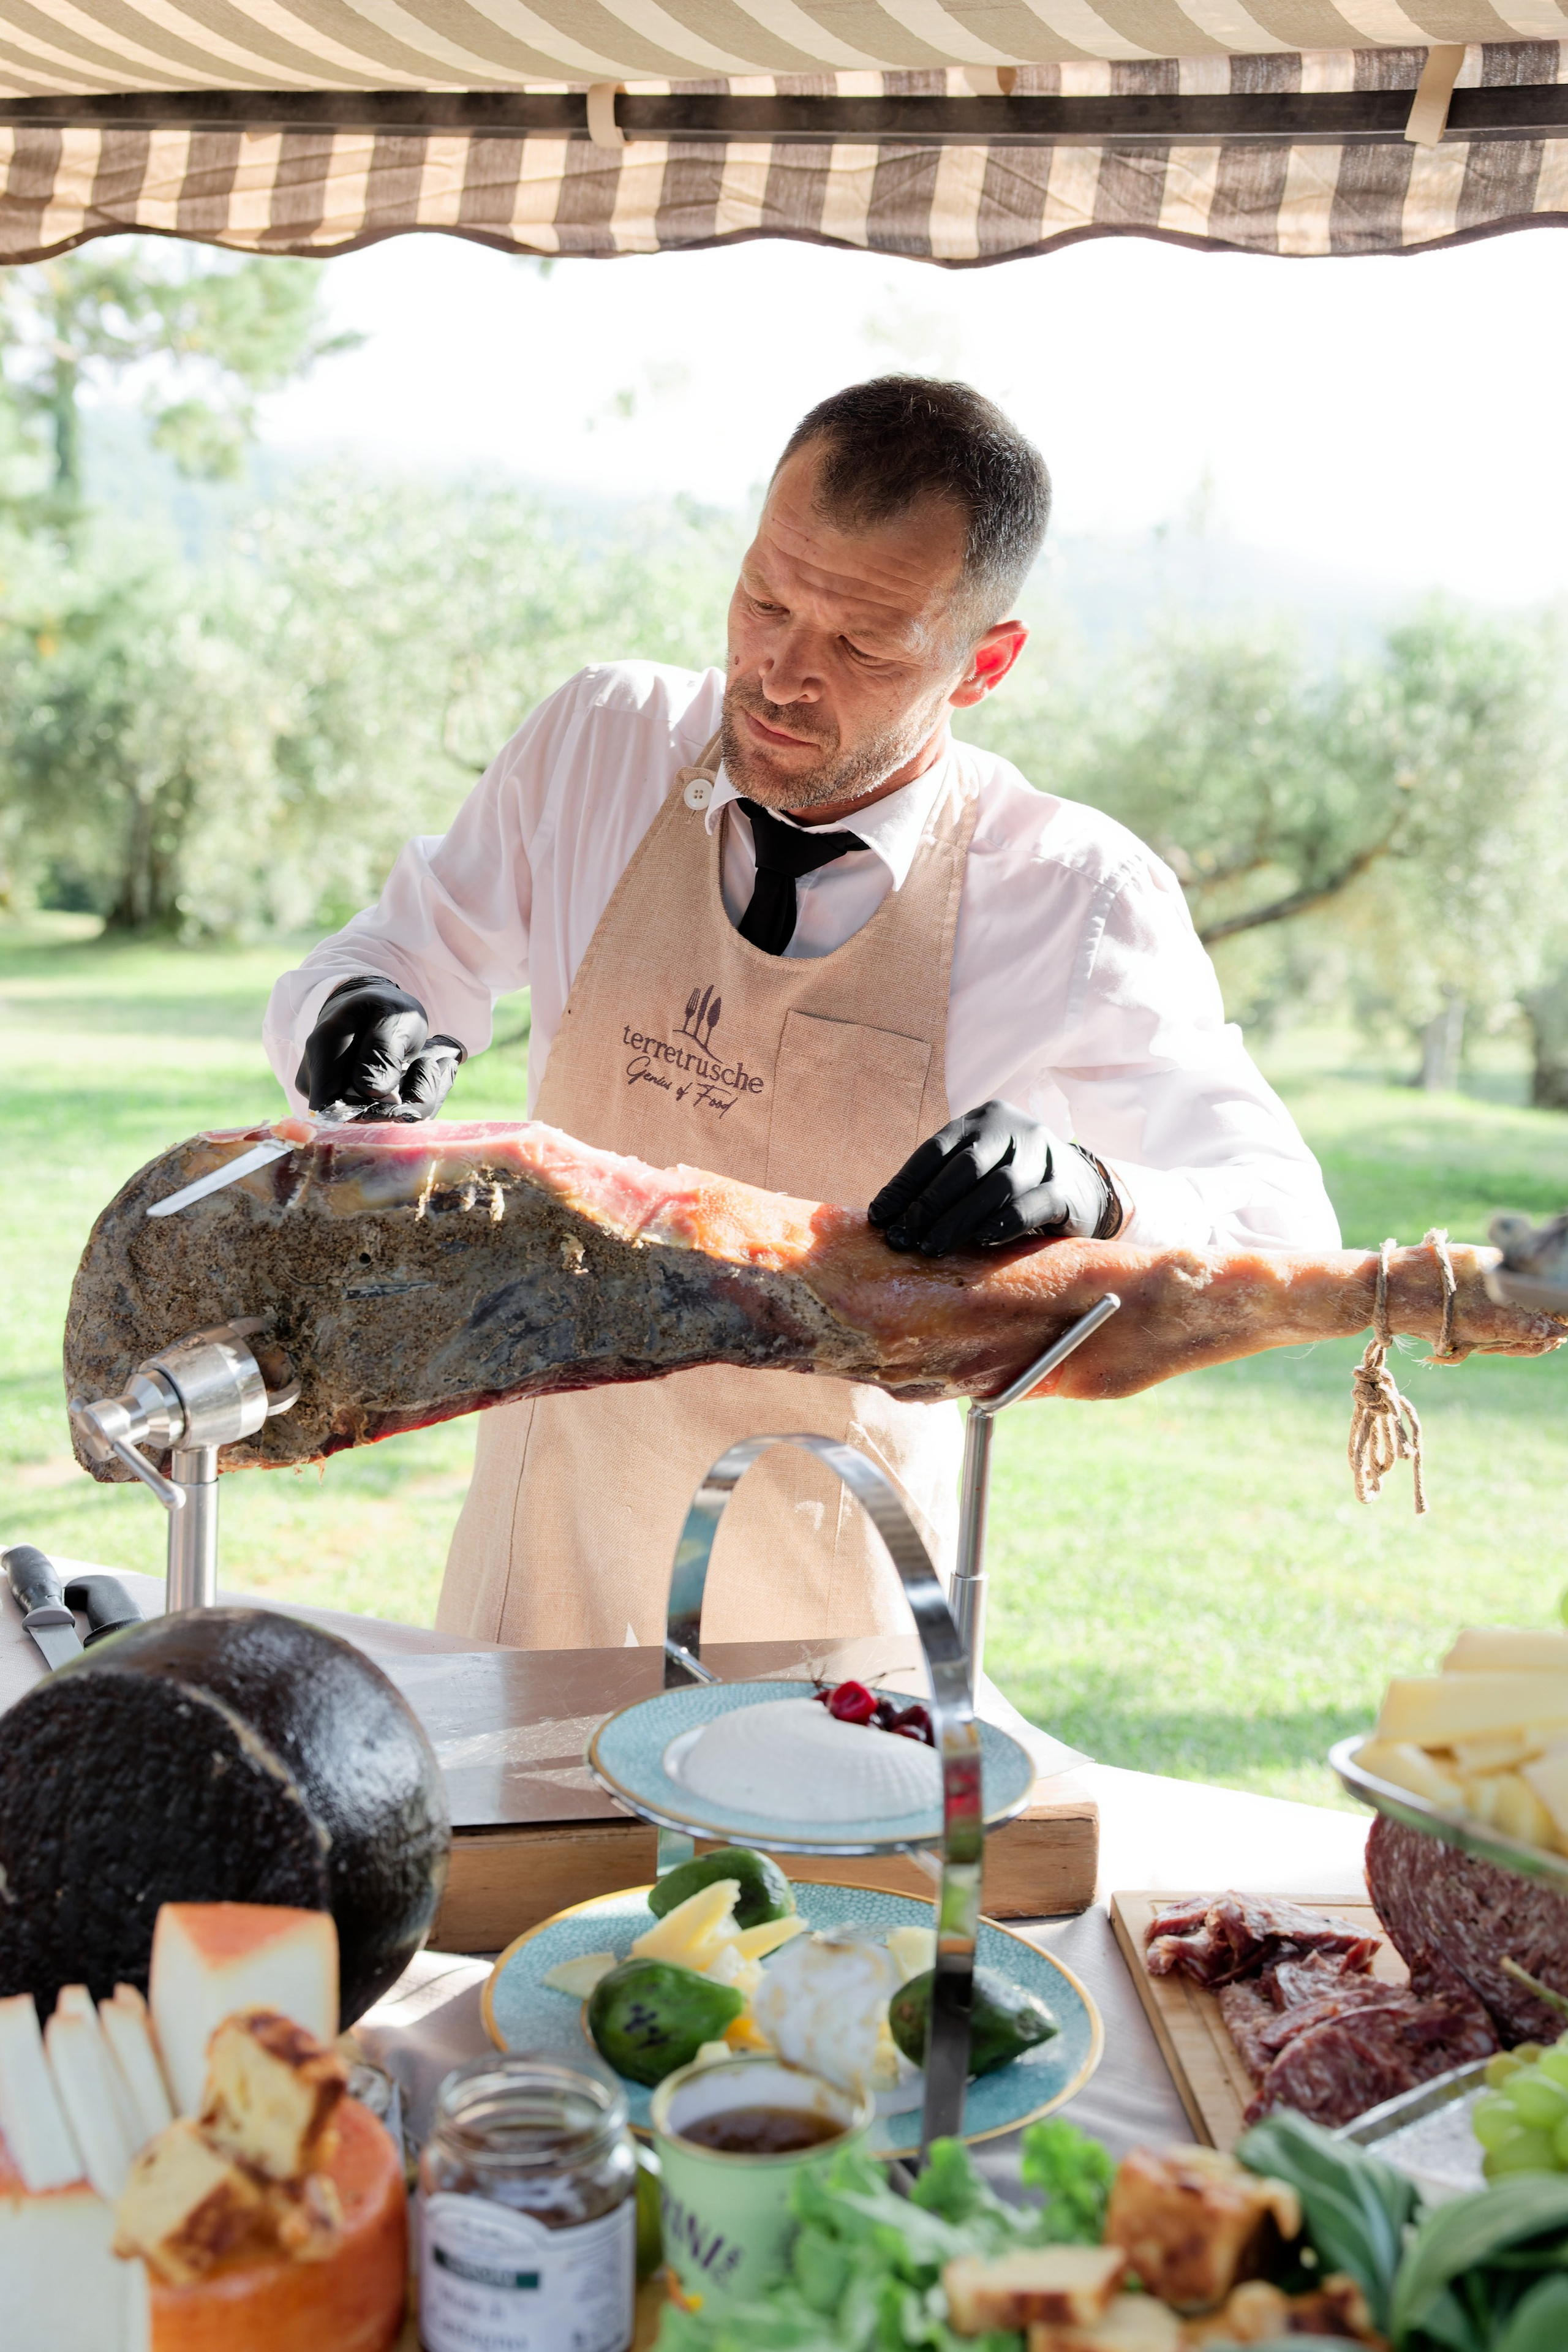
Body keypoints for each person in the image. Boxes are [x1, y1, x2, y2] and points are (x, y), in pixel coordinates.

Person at [265, 377, 1338, 1653]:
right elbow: (399, 948)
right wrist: (354, 1009)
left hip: (830, 1601)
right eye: (765, 600)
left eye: (863, 645)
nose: (781, 673)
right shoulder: (597, 742)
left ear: (982, 664)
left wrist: (1095, 1188)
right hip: (536, 1553)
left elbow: (1282, 1219)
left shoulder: (1073, 899)